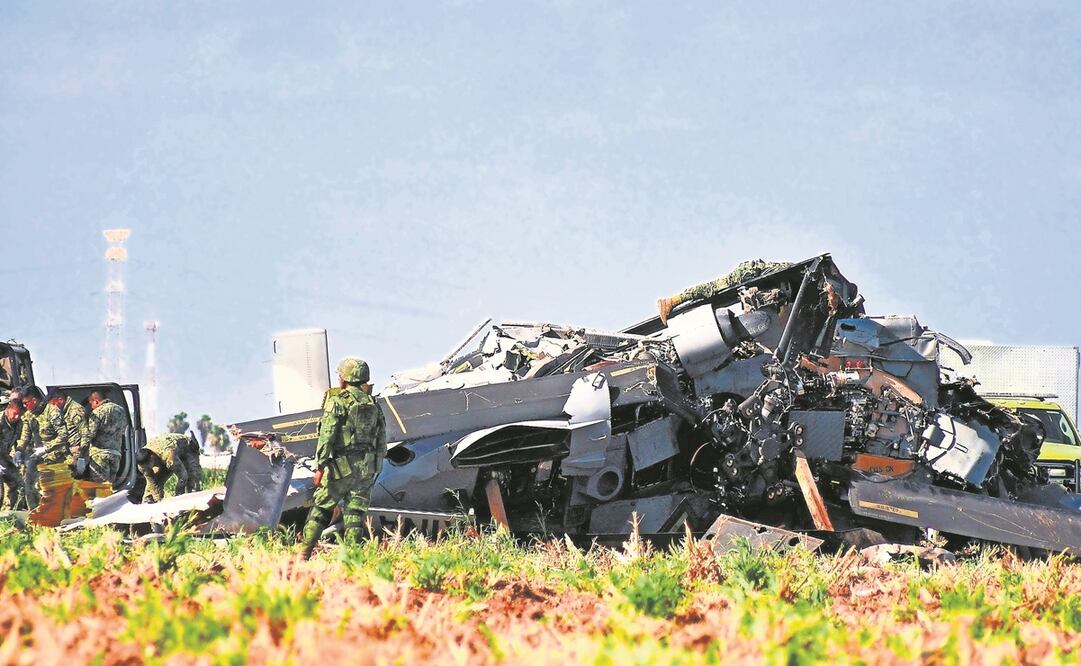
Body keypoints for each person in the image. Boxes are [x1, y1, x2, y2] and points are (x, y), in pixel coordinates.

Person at [299, 357, 387, 559]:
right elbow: (381, 437)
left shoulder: (338, 402)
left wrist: (320, 467)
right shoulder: (373, 403)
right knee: (355, 514)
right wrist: (377, 464)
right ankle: (352, 559)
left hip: (342, 466)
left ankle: (303, 554)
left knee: (322, 508)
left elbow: (327, 435)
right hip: (367, 466)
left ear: (344, 378)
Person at [18, 386, 70, 508]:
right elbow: (25, 436)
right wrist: (19, 450)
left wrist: (47, 448)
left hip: (54, 455)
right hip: (36, 455)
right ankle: (34, 514)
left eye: (26, 403)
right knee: (29, 484)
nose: (24, 406)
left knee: (48, 487)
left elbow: (63, 435)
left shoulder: (52, 411)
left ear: (34, 400)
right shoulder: (29, 415)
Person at [134, 432, 202, 503]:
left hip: (188, 449)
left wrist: (178, 497)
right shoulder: (142, 465)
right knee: (155, 482)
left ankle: (193, 503)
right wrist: (158, 500)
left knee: (193, 480)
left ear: (152, 458)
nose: (147, 468)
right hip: (164, 455)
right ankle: (146, 504)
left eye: (148, 465)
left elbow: (183, 477)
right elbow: (152, 483)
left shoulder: (169, 456)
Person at [85, 391, 127, 484]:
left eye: (90, 403)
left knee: (100, 489)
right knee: (109, 488)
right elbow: (124, 430)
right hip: (116, 455)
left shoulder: (98, 412)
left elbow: (90, 434)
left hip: (100, 455)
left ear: (96, 401)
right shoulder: (121, 410)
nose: (91, 406)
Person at [52, 391, 89, 475]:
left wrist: (81, 457)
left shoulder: (75, 410)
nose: (53, 407)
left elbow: (85, 433)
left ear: (60, 400)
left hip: (78, 453)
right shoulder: (64, 410)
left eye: (54, 404)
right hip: (69, 452)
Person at [0, 400, 24, 508]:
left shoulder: (18, 423)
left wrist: (17, 453)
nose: (17, 417)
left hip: (5, 458)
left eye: (19, 414)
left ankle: (13, 510)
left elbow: (18, 441)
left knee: (18, 482)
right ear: (7, 409)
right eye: (15, 413)